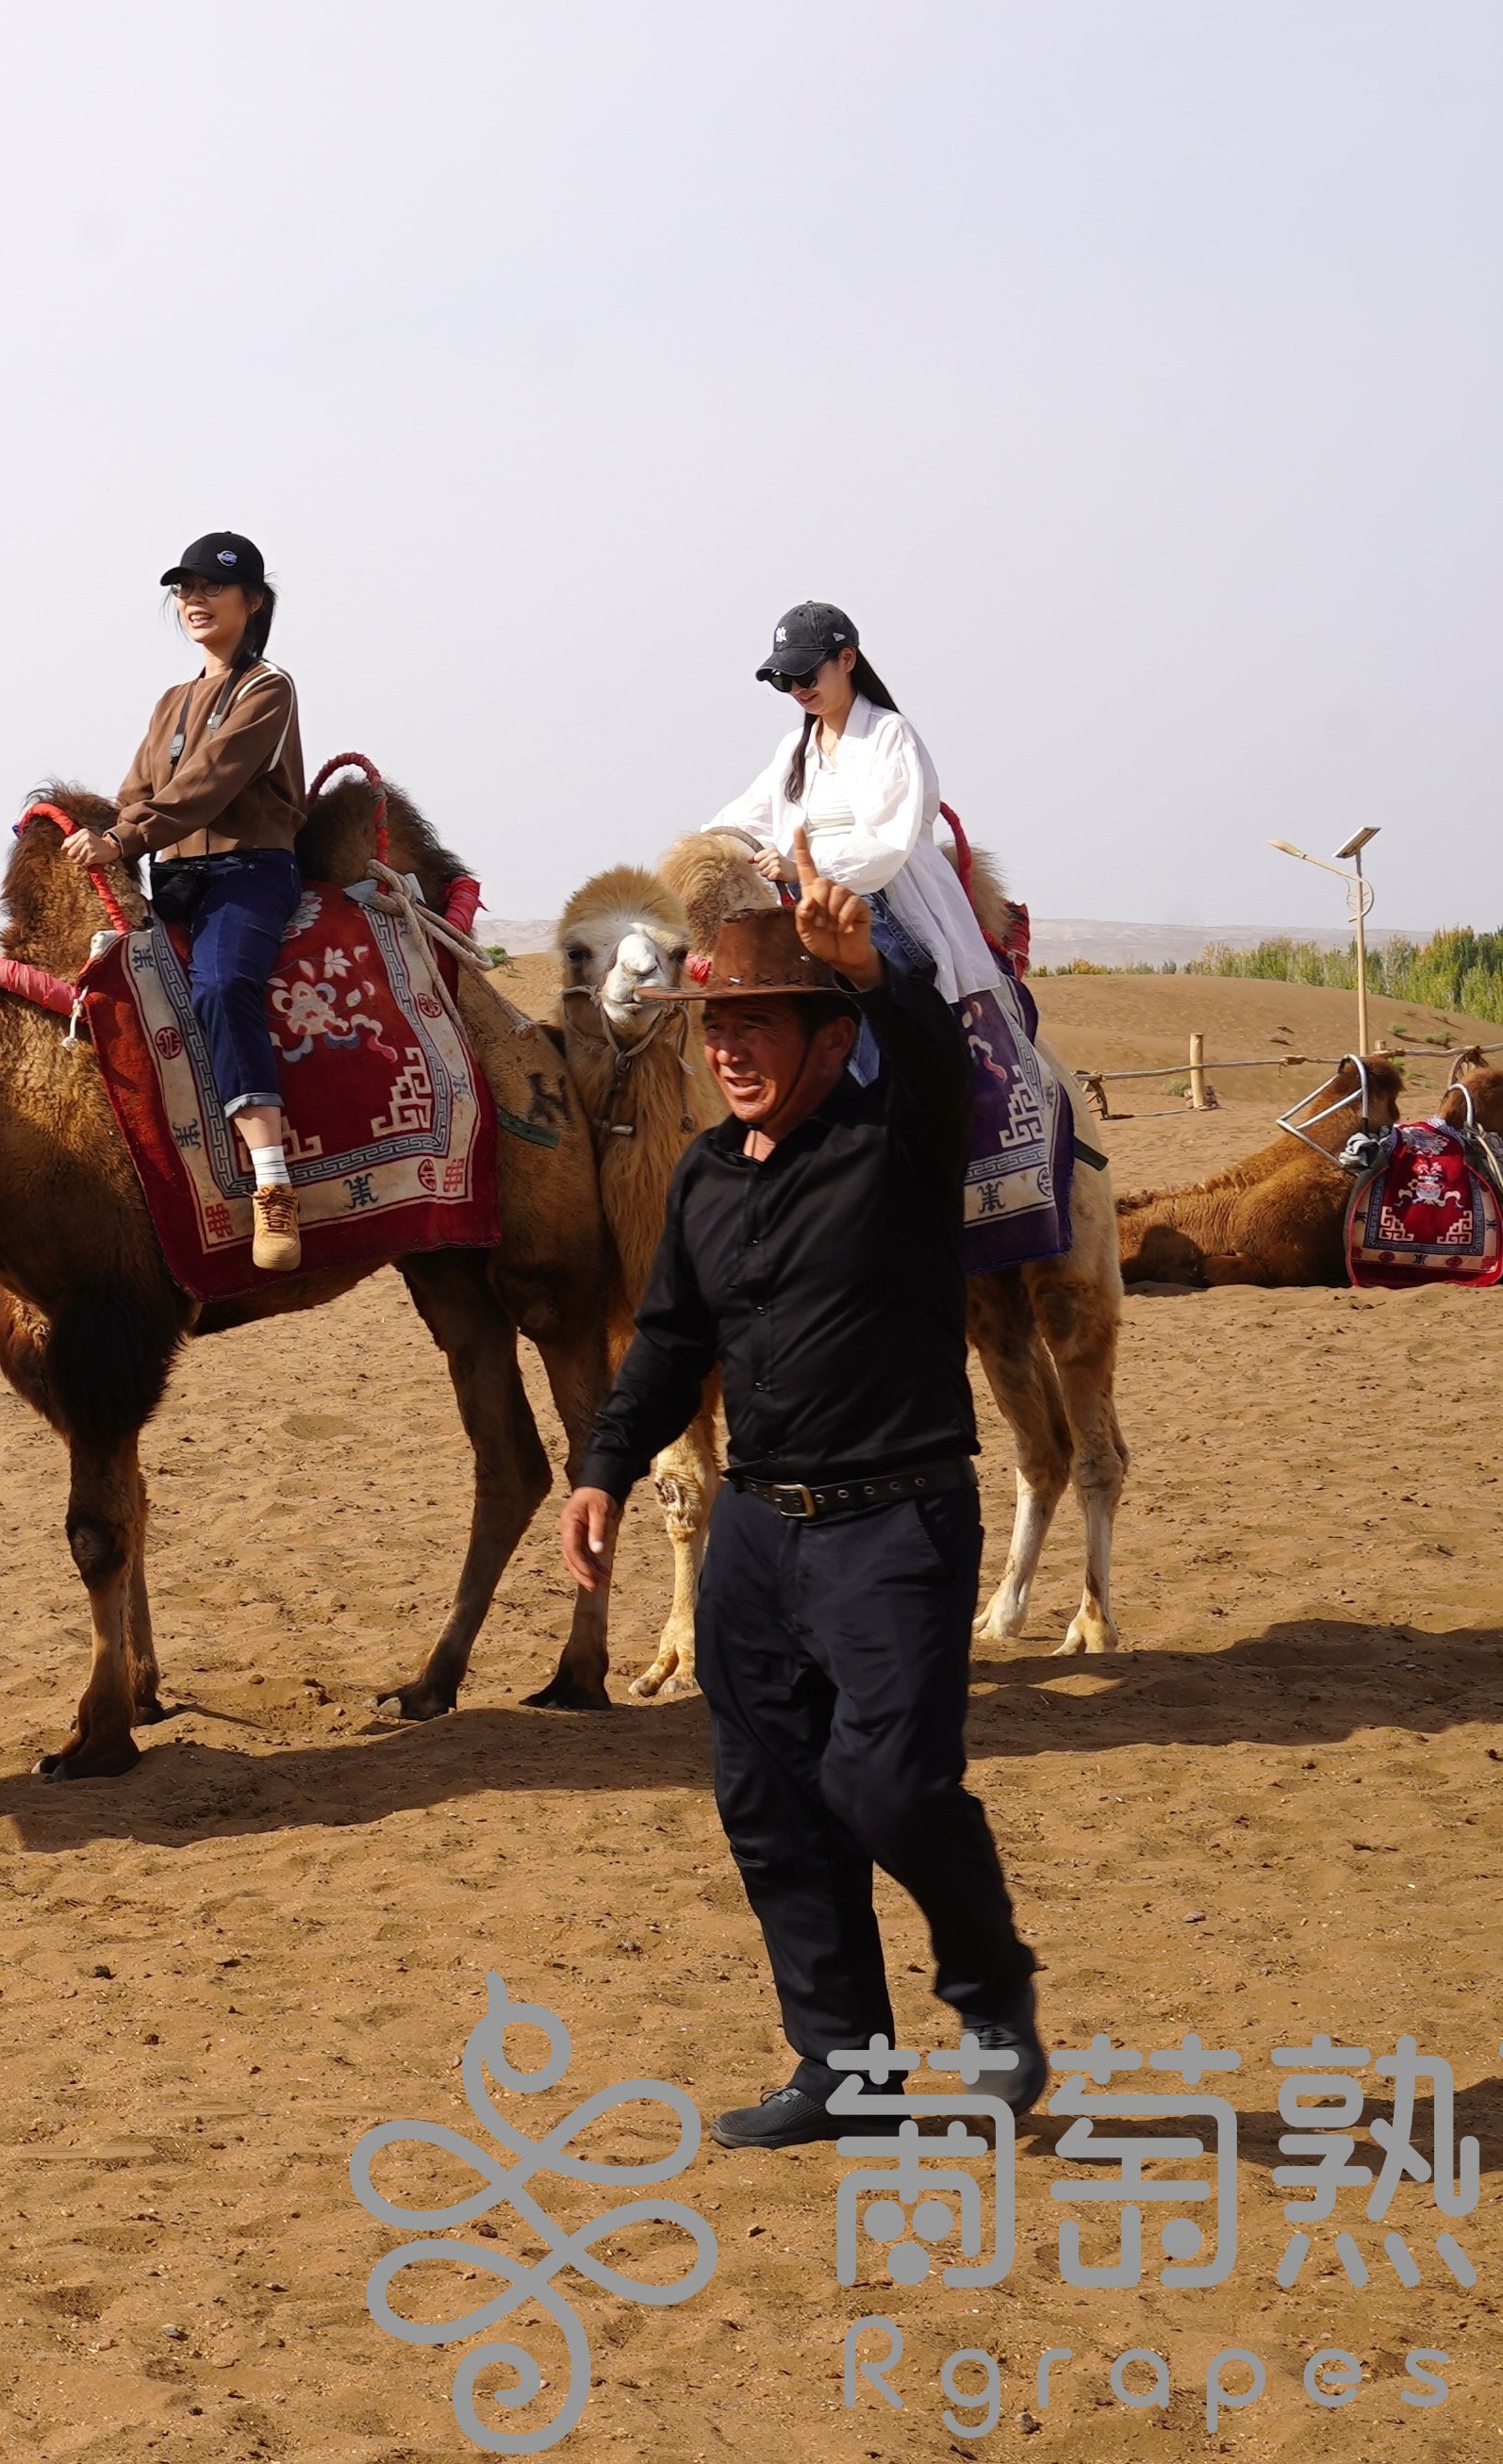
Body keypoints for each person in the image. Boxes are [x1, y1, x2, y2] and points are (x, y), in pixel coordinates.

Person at [558, 845, 1043, 2149]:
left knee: (890, 1788)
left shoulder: (900, 1142)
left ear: (831, 1038)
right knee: (771, 1807)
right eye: (716, 1027)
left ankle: (991, 1986)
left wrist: (871, 970)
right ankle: (846, 2070)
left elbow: (935, 1060)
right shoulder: (708, 1176)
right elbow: (670, 1341)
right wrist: (603, 1469)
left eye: (758, 1025)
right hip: (759, 1539)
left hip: (896, 1521)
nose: (728, 1050)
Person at [63, 530, 308, 1273]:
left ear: (252, 601)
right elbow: (138, 790)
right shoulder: (171, 701)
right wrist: (96, 830)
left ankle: (273, 1182)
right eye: (184, 589)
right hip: (173, 879)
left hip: (248, 872)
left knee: (223, 984)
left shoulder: (268, 689)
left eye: (211, 587)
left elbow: (210, 782)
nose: (194, 601)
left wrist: (123, 837)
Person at [709, 602, 1023, 1067]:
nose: (797, 689)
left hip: (885, 906)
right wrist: (704, 854)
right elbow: (739, 821)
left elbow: (887, 844)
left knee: (870, 1034)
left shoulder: (889, 735)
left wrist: (802, 868)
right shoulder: (795, 751)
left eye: (806, 675)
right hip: (810, 909)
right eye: (784, 680)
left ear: (847, 659)